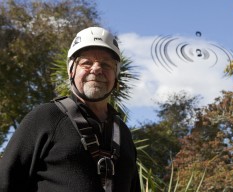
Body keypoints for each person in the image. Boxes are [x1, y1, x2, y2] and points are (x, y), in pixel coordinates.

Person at [0, 27, 140, 192]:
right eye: (86, 63)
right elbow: (5, 182)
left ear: (116, 76)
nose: (96, 69)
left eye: (106, 64)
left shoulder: (122, 132)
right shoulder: (46, 118)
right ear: (71, 71)